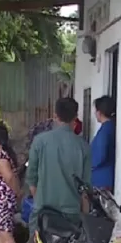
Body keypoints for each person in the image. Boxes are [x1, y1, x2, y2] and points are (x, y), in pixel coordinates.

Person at [25, 97, 91, 230]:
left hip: (44, 214)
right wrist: (85, 217)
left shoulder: (40, 141)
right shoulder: (83, 146)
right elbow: (85, 189)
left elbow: (31, 178)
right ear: (75, 117)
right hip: (71, 214)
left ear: (55, 116)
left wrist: (40, 201)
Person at [91, 96, 116, 192]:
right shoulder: (111, 127)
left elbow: (101, 155)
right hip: (106, 177)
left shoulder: (105, 130)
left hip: (102, 179)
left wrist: (90, 165)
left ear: (99, 112)